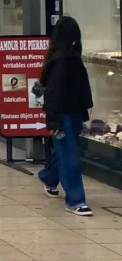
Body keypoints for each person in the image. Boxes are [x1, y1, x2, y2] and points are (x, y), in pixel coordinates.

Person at [38, 16, 94, 216]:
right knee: (69, 156)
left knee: (64, 151)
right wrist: (53, 120)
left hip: (73, 113)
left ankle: (48, 176)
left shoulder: (69, 57)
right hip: (63, 116)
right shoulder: (62, 61)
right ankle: (75, 200)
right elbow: (53, 94)